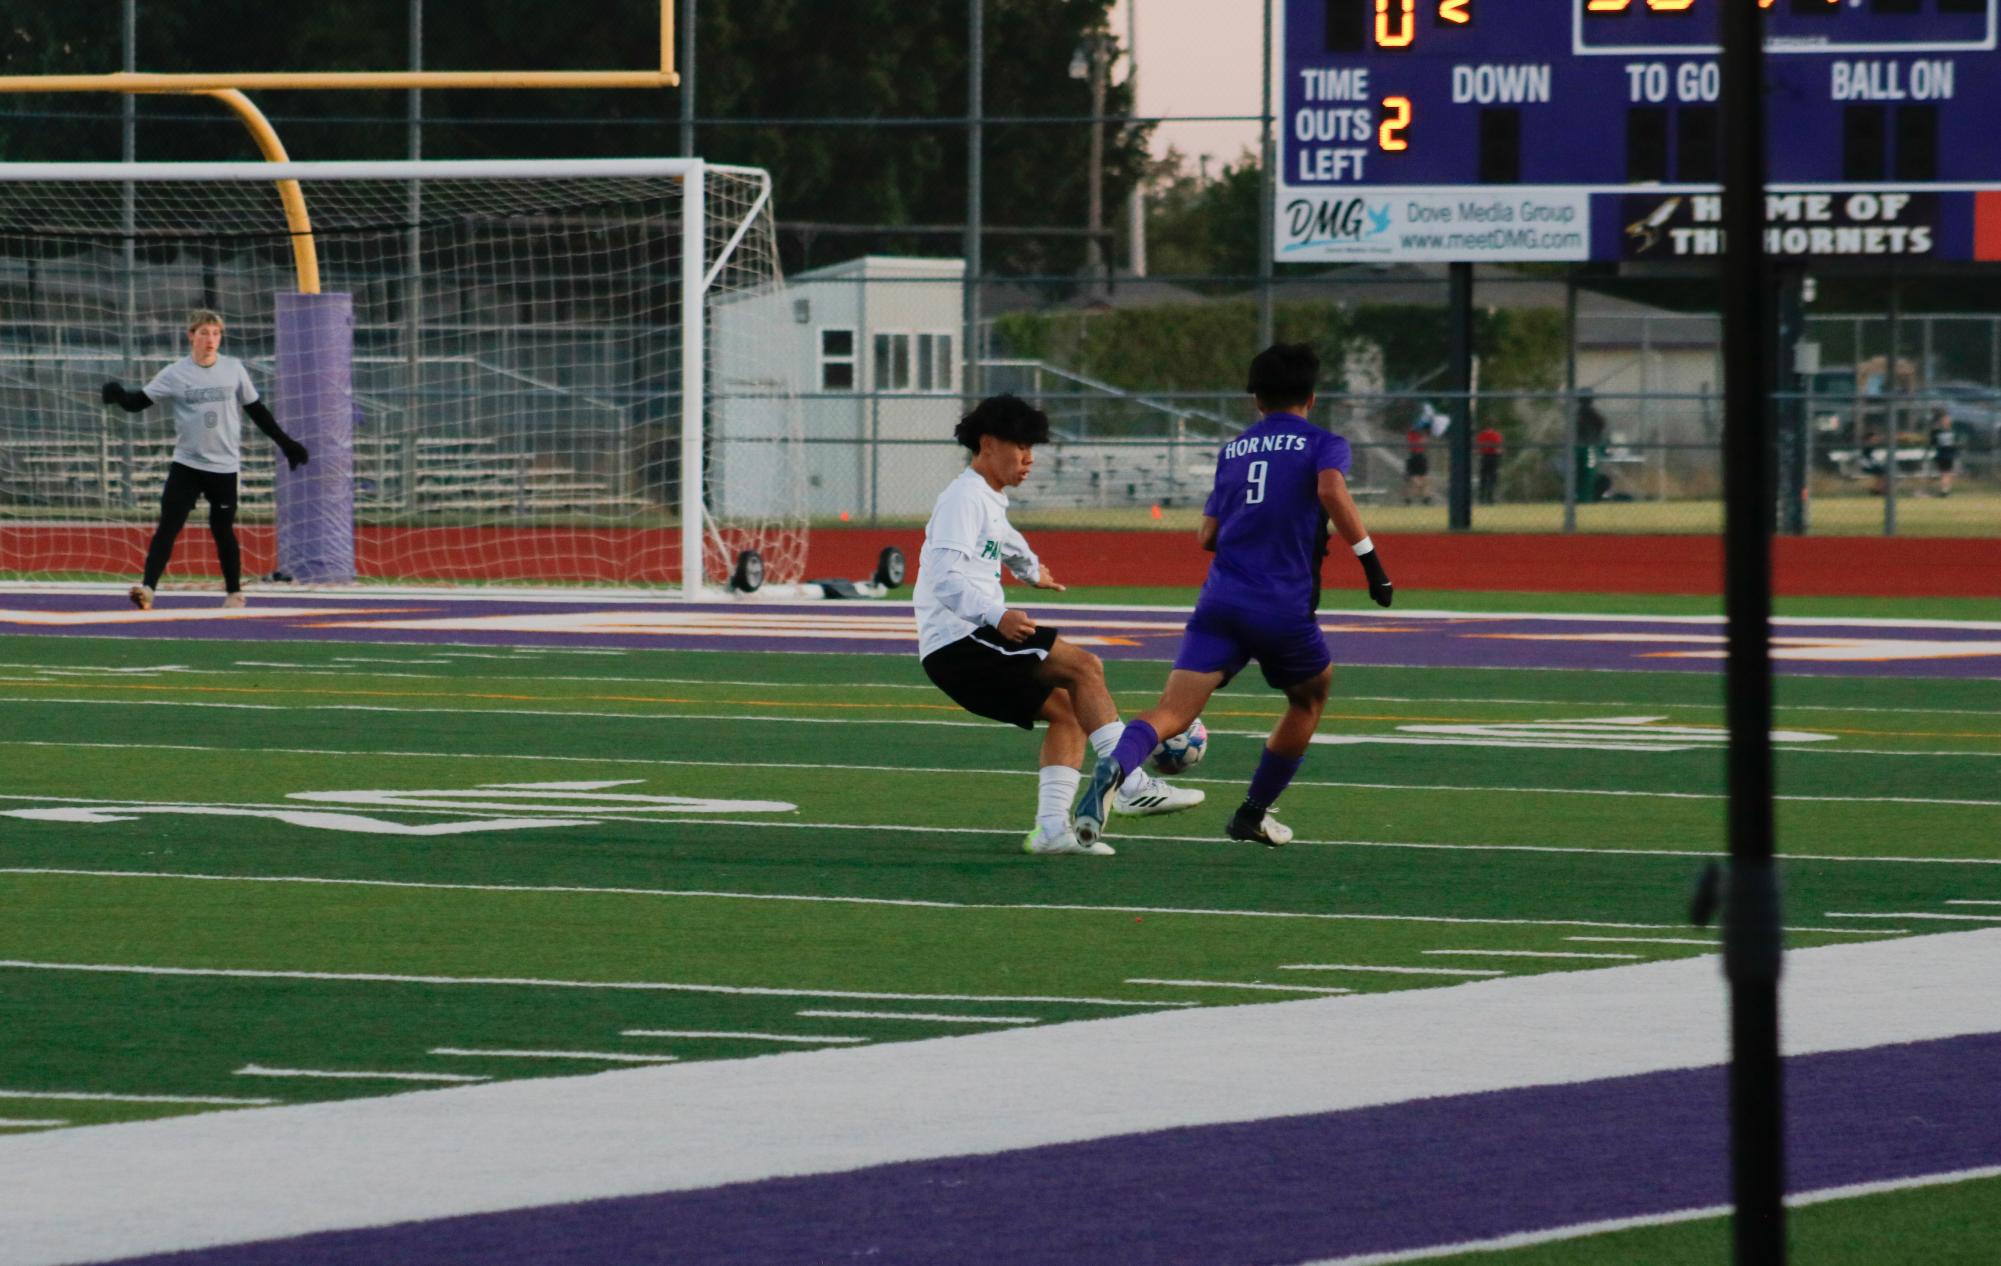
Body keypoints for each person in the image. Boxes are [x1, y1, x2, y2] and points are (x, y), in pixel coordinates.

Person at [1073, 343, 1393, 850]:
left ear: (1255, 401)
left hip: (1220, 600)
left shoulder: (1235, 449)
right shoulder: (1322, 443)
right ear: (1311, 397)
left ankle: (1118, 763)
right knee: (1310, 696)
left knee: (1173, 712)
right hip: (1281, 604)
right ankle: (1252, 812)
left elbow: (1206, 535)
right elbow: (1332, 491)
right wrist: (1372, 563)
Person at [913, 393, 1202, 858]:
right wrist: (997, 615)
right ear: (987, 444)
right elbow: (944, 578)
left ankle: (1050, 830)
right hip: (961, 640)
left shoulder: (987, 499)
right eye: (1020, 445)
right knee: (1084, 667)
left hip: (966, 644)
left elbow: (1007, 543)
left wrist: (1032, 572)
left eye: (1033, 447)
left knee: (1068, 710)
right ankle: (1130, 783)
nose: (1029, 458)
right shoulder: (962, 499)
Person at [101, 309, 309, 609]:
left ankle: (235, 593)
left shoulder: (234, 369)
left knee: (222, 529)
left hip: (224, 467)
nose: (211, 339)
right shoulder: (175, 373)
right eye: (204, 333)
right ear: (191, 336)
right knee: (168, 527)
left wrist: (286, 443)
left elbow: (257, 411)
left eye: (216, 333)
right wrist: (119, 395)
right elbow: (138, 402)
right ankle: (147, 589)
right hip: (187, 465)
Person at [1931, 408, 1958, 497]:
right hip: (1945, 455)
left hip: (1946, 455)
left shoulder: (1949, 430)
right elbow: (1934, 442)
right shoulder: (1940, 431)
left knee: (1946, 474)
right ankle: (1944, 491)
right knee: (1945, 473)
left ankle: (1945, 490)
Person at [1474, 423, 1504, 505]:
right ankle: (1490, 498)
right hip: (1493, 458)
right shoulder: (1496, 435)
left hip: (1484, 457)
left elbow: (1477, 448)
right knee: (1492, 478)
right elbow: (1498, 448)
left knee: (1483, 478)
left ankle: (1481, 498)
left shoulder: (1481, 435)